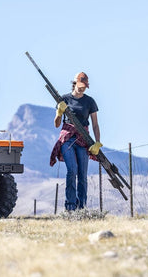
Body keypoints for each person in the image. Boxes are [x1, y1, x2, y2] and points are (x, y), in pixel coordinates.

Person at [50, 72, 102, 211]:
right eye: (80, 85)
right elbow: (56, 124)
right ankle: (70, 206)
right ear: (75, 83)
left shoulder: (90, 101)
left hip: (83, 139)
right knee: (72, 170)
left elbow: (95, 124)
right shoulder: (64, 99)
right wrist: (59, 113)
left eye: (85, 86)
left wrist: (97, 142)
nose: (82, 88)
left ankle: (82, 207)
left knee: (82, 174)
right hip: (67, 137)